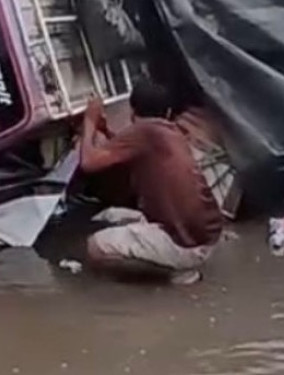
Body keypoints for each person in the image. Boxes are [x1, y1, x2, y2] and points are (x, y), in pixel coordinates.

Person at [77, 81, 225, 285]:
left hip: (186, 245)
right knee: (110, 216)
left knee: (94, 247)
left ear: (132, 112)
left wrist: (89, 121)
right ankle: (174, 260)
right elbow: (130, 151)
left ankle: (176, 274)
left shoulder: (144, 131)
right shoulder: (170, 132)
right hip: (207, 235)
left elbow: (88, 163)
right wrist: (103, 130)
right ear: (168, 112)